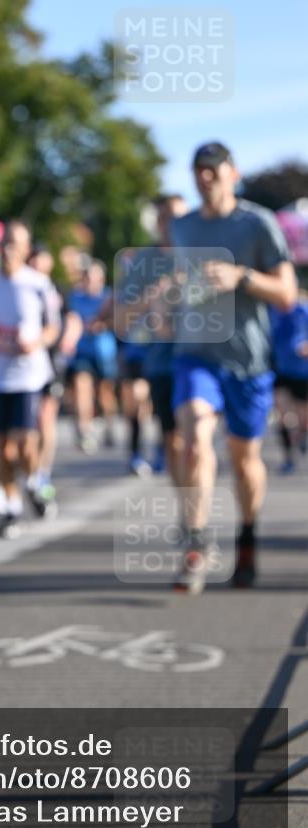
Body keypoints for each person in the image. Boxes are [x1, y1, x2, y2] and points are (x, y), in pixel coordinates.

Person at [171, 142, 297, 592]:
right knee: (193, 440)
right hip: (195, 354)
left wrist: (241, 277)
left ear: (233, 173)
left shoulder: (258, 223)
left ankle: (247, 536)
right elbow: (180, 282)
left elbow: (286, 294)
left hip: (247, 360)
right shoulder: (181, 226)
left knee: (244, 461)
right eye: (197, 169)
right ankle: (197, 543)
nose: (204, 177)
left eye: (213, 168)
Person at [0, 220, 61, 535]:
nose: (8, 251)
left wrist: (37, 342)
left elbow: (53, 327)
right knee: (0, 446)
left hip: (27, 376)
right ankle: (11, 507)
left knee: (26, 445)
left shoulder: (38, 284)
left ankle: (33, 481)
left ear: (26, 249)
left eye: (15, 245)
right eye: (4, 243)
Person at [113, 195, 190, 486]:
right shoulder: (143, 260)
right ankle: (187, 508)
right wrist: (153, 297)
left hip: (201, 358)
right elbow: (122, 317)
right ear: (157, 223)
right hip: (157, 358)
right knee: (173, 438)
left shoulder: (203, 254)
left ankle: (196, 506)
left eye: (180, 218)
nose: (172, 224)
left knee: (195, 436)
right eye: (166, 218)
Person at [62, 258, 118, 454]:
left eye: (94, 279)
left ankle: (109, 423)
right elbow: (70, 319)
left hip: (104, 353)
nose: (90, 282)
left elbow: (120, 322)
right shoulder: (75, 298)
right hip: (81, 352)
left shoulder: (109, 297)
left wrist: (103, 325)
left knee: (104, 394)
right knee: (81, 386)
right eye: (87, 278)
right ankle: (84, 431)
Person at [28, 243, 65, 498]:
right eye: (33, 259)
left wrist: (65, 342)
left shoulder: (57, 290)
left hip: (50, 363)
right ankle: (30, 469)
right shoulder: (20, 288)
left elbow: (70, 320)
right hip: (22, 366)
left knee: (45, 417)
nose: (36, 264)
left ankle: (43, 472)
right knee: (26, 424)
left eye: (41, 259)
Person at [270, 287, 308, 473]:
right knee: (283, 416)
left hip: (302, 372)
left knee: (303, 417)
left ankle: (303, 436)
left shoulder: (303, 310)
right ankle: (288, 457)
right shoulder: (270, 311)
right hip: (278, 371)